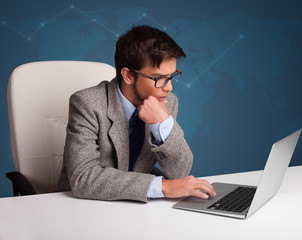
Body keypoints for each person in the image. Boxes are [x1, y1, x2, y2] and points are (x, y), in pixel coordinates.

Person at [57, 25, 216, 202]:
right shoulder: (87, 103)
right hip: (81, 205)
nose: (169, 87)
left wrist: (162, 124)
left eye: (172, 76)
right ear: (128, 75)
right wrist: (161, 187)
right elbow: (83, 178)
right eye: (159, 78)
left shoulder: (167, 103)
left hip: (135, 207)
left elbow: (180, 172)